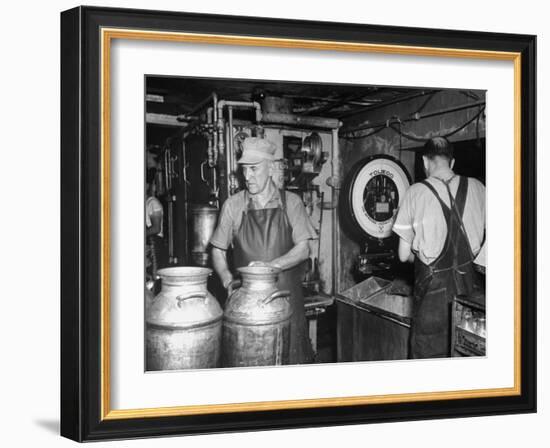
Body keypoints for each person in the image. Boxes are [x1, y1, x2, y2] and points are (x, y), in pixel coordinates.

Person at [210, 137, 317, 364]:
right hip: (248, 310)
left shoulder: (292, 203)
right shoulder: (233, 205)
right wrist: (227, 279)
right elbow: (218, 249)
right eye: (244, 169)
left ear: (270, 168)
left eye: (254, 169)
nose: (247, 176)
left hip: (287, 304)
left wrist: (269, 267)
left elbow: (303, 249)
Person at [392, 137, 485, 359]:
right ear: (451, 162)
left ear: (425, 161)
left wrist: (426, 257)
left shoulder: (415, 192)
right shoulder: (479, 188)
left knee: (429, 365)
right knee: (468, 353)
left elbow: (403, 255)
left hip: (431, 297)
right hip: (472, 292)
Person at [146, 170, 165, 282]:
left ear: (147, 185)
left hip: (154, 244)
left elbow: (156, 228)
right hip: (147, 245)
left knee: (154, 279)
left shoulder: (153, 203)